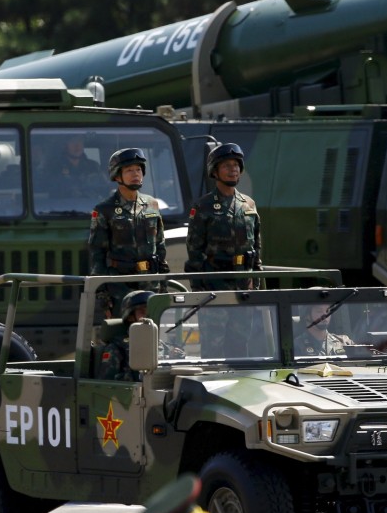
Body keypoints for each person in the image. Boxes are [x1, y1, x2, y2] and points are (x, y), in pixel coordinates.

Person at [185, 143, 261, 357]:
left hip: (243, 285)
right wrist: (199, 290)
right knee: (214, 349)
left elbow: (256, 246)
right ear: (215, 171)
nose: (233, 169)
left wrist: (256, 283)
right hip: (214, 287)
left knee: (241, 347)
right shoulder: (203, 207)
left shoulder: (248, 204)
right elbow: (194, 251)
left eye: (236, 165)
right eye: (227, 165)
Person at [88, 148, 168, 316]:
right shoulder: (105, 210)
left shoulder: (152, 205)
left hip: (150, 284)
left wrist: (164, 284)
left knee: (152, 335)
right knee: (122, 337)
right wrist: (103, 295)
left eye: (138, 169)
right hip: (120, 286)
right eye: (129, 170)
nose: (135, 174)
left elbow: (160, 246)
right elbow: (97, 253)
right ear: (117, 176)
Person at [97, 290, 153, 380]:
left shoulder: (162, 345)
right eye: (142, 312)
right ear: (130, 317)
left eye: (149, 311)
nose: (148, 316)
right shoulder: (117, 349)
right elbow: (104, 386)